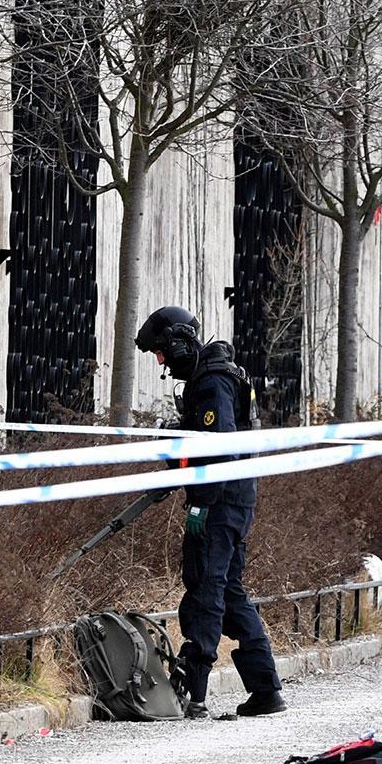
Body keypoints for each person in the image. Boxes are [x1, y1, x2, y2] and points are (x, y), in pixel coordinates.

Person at [133, 305, 286, 718]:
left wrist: (202, 500)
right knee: (228, 589)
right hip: (234, 498)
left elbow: (218, 448)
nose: (162, 363)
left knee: (206, 587)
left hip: (221, 501)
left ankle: (194, 691)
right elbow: (203, 445)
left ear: (179, 343)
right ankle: (266, 689)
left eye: (162, 354)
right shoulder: (220, 374)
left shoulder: (214, 380)